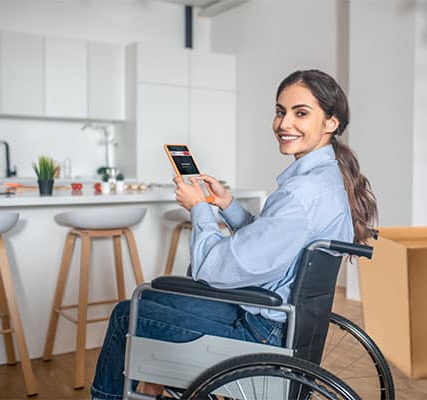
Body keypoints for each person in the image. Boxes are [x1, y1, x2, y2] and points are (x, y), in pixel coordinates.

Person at [90, 69, 377, 400]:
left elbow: (213, 268)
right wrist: (226, 204)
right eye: (280, 111)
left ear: (331, 122)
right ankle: (160, 386)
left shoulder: (301, 195)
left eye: (301, 113)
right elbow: (274, 242)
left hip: (261, 334)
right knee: (154, 300)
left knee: (129, 312)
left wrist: (200, 209)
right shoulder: (328, 179)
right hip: (284, 323)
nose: (284, 124)